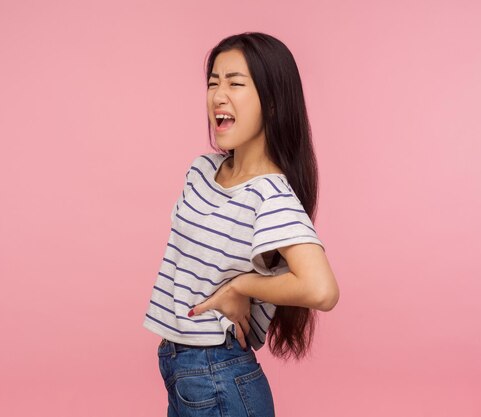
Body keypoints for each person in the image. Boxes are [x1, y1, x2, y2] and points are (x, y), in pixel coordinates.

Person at [142, 31, 340, 417]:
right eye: (213, 82)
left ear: (272, 101)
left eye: (235, 83)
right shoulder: (202, 171)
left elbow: (322, 290)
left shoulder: (269, 195)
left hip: (217, 374)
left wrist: (242, 286)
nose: (218, 95)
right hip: (181, 368)